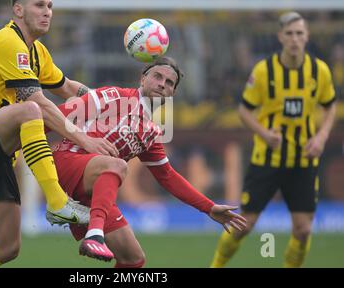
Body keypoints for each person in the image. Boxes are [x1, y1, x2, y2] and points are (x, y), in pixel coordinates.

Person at [0, 0, 119, 268]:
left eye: (50, 6)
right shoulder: (7, 42)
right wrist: (85, 140)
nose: (47, 12)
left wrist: (111, 101)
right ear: (18, 10)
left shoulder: (37, 51)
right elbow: (36, 101)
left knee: (6, 247)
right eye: (39, 5)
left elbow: (66, 87)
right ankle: (57, 202)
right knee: (30, 109)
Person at [46, 56, 247, 267]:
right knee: (116, 165)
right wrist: (16, 147)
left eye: (169, 83)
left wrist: (209, 207)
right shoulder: (114, 96)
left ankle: (94, 231)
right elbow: (55, 116)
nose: (162, 84)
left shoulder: (151, 132)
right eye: (157, 76)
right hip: (66, 160)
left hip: (93, 188)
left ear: (172, 93)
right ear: (143, 79)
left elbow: (168, 176)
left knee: (133, 259)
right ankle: (95, 235)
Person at [210, 12, 336, 268]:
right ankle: (215, 266)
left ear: (307, 37)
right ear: (280, 37)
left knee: (302, 230)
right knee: (244, 224)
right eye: (289, 33)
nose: (294, 39)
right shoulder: (263, 71)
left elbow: (330, 105)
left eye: (299, 33)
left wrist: (321, 136)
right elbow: (244, 111)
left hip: (303, 161)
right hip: (266, 160)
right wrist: (265, 134)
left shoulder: (319, 71)